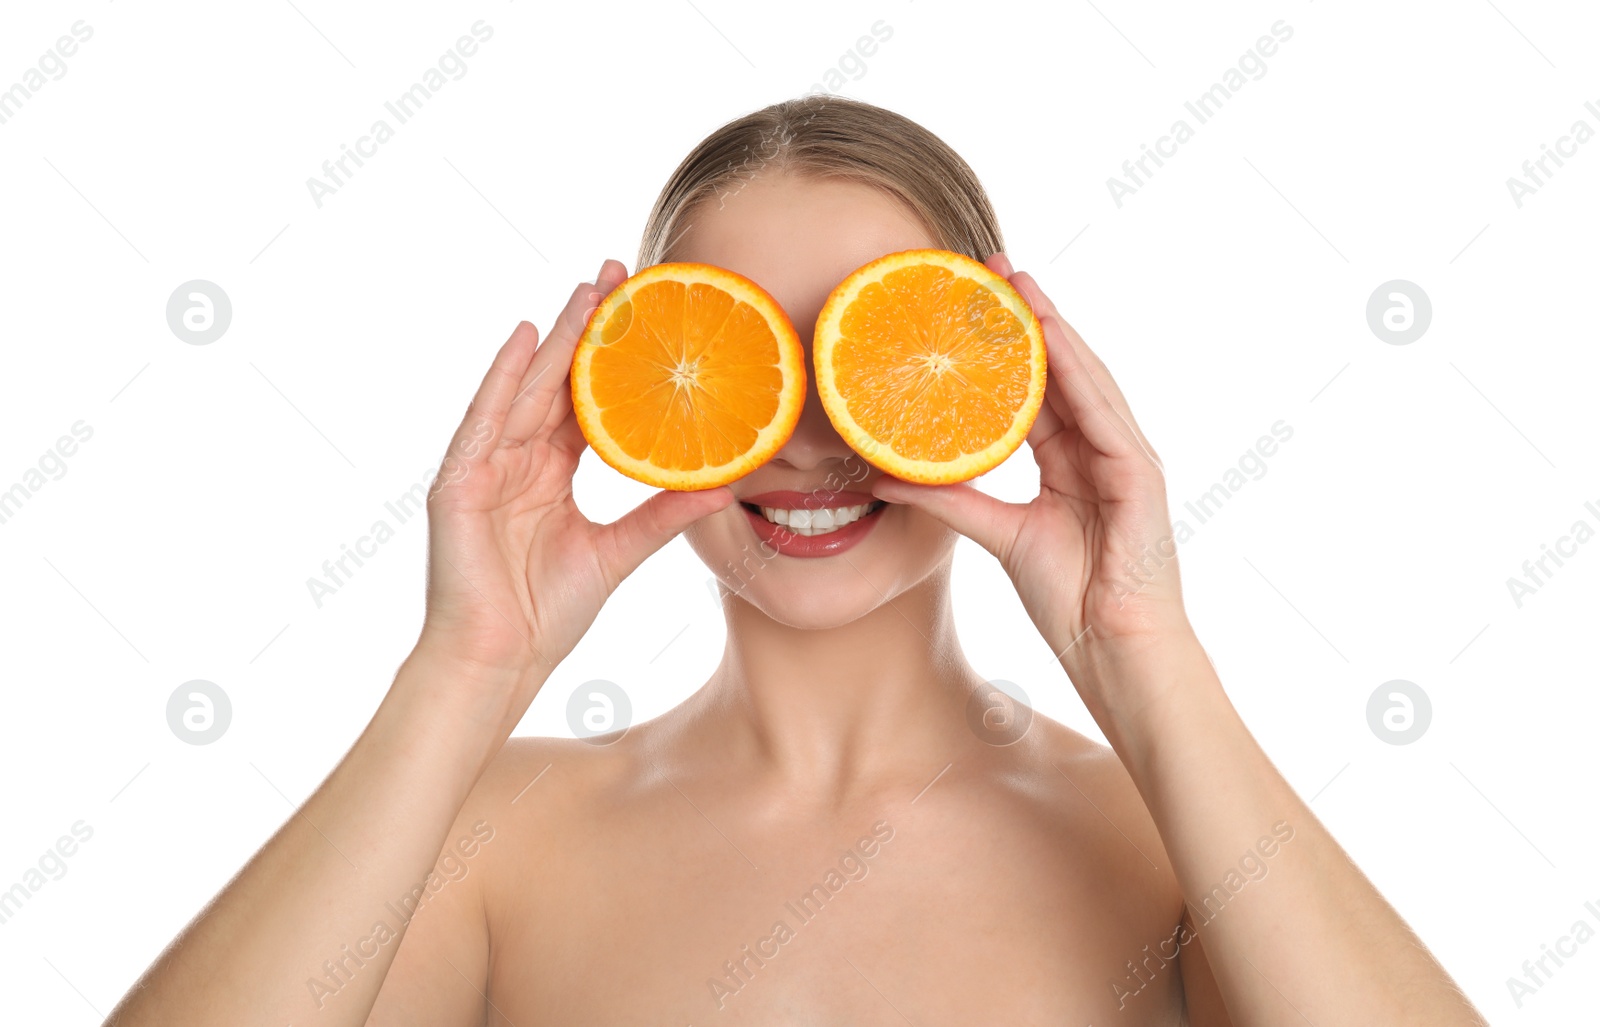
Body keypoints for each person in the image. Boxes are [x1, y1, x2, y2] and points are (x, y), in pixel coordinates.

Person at [103, 95, 1487, 1025]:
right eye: (738, 354)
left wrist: (1147, 654)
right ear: (630, 385)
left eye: (874, 357)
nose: (807, 435)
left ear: (996, 378)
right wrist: (466, 671)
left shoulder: (1180, 845)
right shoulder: (489, 836)